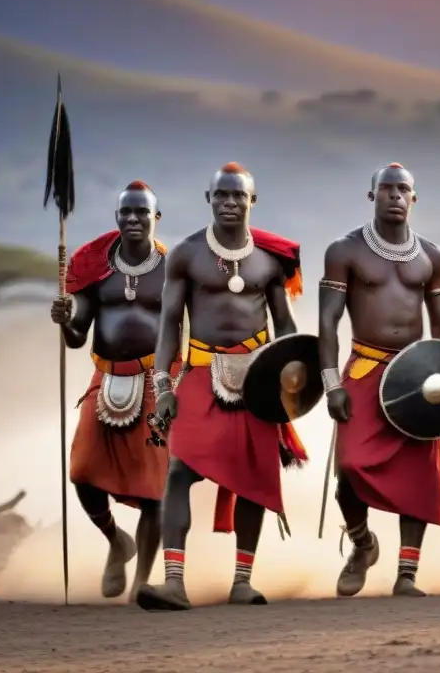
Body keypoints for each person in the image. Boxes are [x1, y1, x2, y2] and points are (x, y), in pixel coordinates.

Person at [134, 162, 307, 611]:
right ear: (208, 200)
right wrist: (164, 384)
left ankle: (242, 582)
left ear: (253, 201)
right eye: (221, 196)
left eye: (238, 196)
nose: (230, 203)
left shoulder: (270, 260)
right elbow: (169, 323)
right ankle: (174, 581)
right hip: (199, 373)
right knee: (178, 470)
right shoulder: (187, 255)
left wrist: (294, 381)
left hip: (257, 378)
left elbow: (285, 325)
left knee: (254, 478)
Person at [318, 162, 440, 598]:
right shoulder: (345, 251)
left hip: (418, 374)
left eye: (403, 189)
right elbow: (327, 321)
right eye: (387, 189)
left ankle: (407, 574)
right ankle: (362, 544)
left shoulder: (432, 256)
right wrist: (331, 384)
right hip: (364, 368)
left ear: (413, 198)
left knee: (420, 476)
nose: (395, 195)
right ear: (371, 195)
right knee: (351, 469)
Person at [50, 181, 174, 601]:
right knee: (82, 472)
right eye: (126, 213)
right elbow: (75, 338)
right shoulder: (96, 269)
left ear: (156, 218)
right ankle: (116, 541)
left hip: (158, 383)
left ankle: (142, 580)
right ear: (117, 218)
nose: (134, 219)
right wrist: (67, 317)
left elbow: (189, 329)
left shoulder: (173, 270)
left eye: (142, 212)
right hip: (105, 379)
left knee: (156, 483)